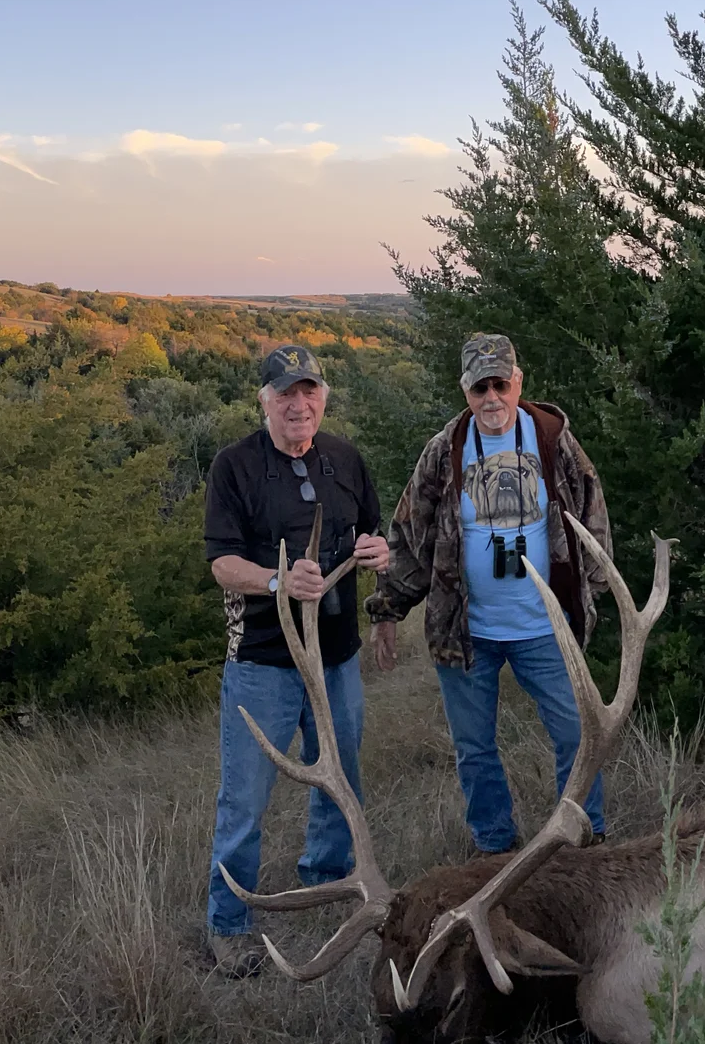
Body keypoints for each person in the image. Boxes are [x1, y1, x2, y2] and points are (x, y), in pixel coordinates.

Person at [369, 333, 613, 855]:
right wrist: (387, 608)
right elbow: (410, 532)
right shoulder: (444, 450)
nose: (492, 398)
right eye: (480, 387)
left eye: (501, 384)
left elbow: (592, 507)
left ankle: (583, 838)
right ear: (465, 389)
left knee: (577, 734)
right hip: (467, 631)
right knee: (475, 748)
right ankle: (496, 847)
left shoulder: (551, 437)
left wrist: (592, 589)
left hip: (544, 628)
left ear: (518, 382)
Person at [201, 343, 390, 978]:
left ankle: (327, 879)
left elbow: (373, 529)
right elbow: (222, 565)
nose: (298, 404)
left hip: (336, 658)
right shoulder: (234, 468)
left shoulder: (344, 459)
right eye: (286, 394)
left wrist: (376, 551)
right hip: (263, 663)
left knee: (341, 778)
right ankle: (229, 925)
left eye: (309, 392)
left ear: (322, 398)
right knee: (245, 798)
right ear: (265, 402)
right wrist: (280, 582)